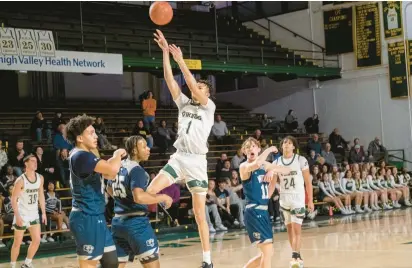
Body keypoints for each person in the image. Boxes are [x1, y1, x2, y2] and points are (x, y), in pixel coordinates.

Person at [149, 29, 215, 268]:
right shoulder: (184, 103)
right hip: (180, 157)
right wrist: (166, 53)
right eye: (196, 87)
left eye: (201, 88)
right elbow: (169, 80)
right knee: (150, 190)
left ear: (207, 94)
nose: (196, 88)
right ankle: (165, 204)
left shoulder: (209, 107)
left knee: (199, 214)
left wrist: (181, 61)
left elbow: (190, 84)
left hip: (197, 162)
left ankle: (207, 260)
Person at [65, 114, 127, 268]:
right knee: (89, 263)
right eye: (90, 133)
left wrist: (114, 160)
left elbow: (108, 173)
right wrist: (117, 154)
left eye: (95, 132)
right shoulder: (81, 156)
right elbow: (112, 170)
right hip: (85, 217)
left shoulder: (86, 156)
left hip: (96, 215)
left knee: (112, 262)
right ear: (80, 138)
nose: (95, 136)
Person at [107, 136, 173, 268]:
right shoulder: (137, 170)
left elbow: (109, 189)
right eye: (144, 147)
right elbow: (139, 197)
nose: (148, 149)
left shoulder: (118, 166)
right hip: (136, 224)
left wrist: (124, 199)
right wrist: (163, 197)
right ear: (135, 150)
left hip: (118, 224)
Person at [239, 138, 290, 268]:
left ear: (258, 149)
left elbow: (286, 170)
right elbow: (257, 164)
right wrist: (269, 149)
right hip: (254, 211)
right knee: (267, 252)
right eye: (248, 147)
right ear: (244, 151)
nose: (251, 148)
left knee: (268, 252)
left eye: (254, 146)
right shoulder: (244, 166)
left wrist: (273, 171)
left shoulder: (264, 165)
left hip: (263, 211)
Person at [271, 136, 314, 268]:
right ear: (281, 146)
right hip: (284, 198)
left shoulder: (301, 160)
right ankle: (296, 253)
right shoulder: (277, 162)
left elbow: (308, 182)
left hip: (298, 198)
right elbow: (273, 183)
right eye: (284, 143)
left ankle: (295, 257)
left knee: (297, 229)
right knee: (289, 229)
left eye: (289, 143)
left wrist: (310, 200)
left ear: (294, 147)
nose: (287, 145)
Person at [10, 154, 47, 268]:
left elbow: (41, 194)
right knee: (17, 243)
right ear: (26, 163)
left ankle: (27, 262)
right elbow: (13, 200)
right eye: (32, 161)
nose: (35, 163)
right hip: (22, 214)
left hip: (34, 213)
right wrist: (18, 216)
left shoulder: (40, 178)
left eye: (36, 161)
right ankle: (12, 265)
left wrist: (44, 212)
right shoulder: (20, 180)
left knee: (37, 240)